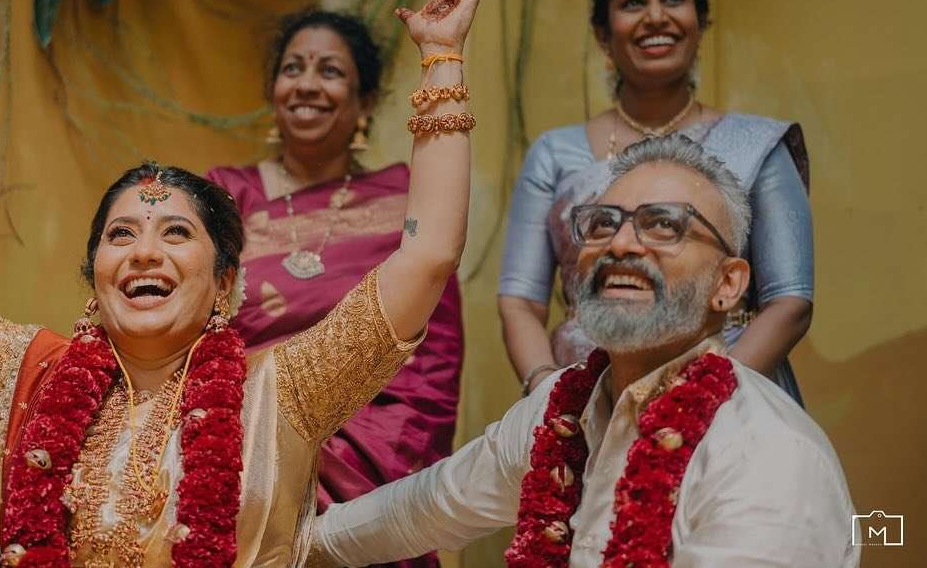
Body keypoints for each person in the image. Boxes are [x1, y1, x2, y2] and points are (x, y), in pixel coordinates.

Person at [0, 0, 484, 567]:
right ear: (94, 274)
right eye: (121, 234)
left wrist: (442, 56)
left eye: (177, 233)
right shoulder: (33, 377)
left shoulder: (284, 392)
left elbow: (428, 253)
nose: (144, 252)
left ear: (225, 283)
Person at [310, 136, 857, 567]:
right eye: (603, 223)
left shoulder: (768, 455)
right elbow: (431, 505)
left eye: (664, 225)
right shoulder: (563, 408)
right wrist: (296, 548)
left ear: (728, 284)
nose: (620, 243)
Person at [499, 0, 813, 403]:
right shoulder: (554, 152)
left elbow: (790, 301)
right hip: (583, 397)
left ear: (701, 21)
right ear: (603, 34)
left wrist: (698, 401)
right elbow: (521, 302)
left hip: (730, 391)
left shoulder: (756, 144)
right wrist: (547, 392)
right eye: (633, 3)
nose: (655, 16)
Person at [206, 9, 463, 568]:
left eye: (330, 71)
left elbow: (433, 366)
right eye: (293, 68)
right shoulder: (225, 195)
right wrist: (270, 444)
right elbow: (196, 337)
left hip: (369, 468)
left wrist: (335, 458)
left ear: (365, 101)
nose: (307, 84)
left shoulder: (404, 197)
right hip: (244, 455)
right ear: (273, 90)